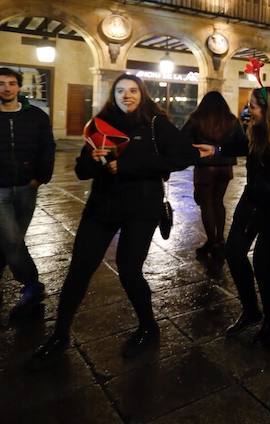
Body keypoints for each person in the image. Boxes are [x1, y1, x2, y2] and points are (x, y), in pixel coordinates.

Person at [34, 74, 196, 361]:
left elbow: (183, 156)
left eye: (133, 90)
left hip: (141, 208)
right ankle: (59, 334)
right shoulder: (100, 124)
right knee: (80, 268)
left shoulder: (156, 124)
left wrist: (128, 165)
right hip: (102, 206)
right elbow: (82, 171)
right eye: (121, 91)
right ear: (113, 95)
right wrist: (93, 160)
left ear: (142, 94)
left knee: (129, 269)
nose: (127, 95)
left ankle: (148, 326)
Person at [196, 87, 270, 348]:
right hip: (252, 201)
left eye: (254, 106)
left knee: (262, 261)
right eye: (250, 105)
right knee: (234, 252)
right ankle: (251, 310)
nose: (250, 110)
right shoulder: (254, 130)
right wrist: (214, 150)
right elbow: (236, 145)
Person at [0, 67, 55, 320]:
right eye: (1, 83)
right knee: (11, 238)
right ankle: (33, 285)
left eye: (11, 83)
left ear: (19, 87)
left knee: (13, 238)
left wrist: (41, 177)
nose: (6, 88)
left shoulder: (36, 116)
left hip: (26, 188)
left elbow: (47, 148)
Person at [181, 92, 245, 259]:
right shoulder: (232, 120)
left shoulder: (196, 119)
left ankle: (212, 242)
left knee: (206, 204)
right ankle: (220, 240)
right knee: (218, 202)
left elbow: (182, 140)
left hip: (205, 168)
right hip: (225, 167)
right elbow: (241, 143)